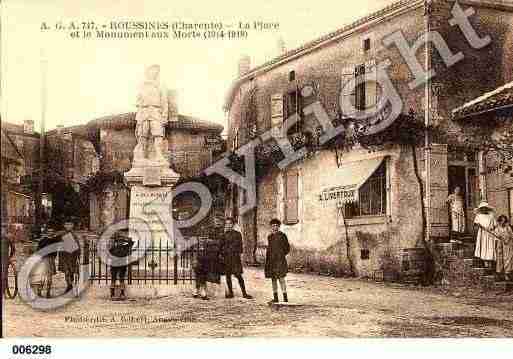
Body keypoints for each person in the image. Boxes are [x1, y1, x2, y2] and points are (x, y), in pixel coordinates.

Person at [221, 217, 252, 299]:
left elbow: (240, 246)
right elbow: (221, 246)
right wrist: (223, 253)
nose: (228, 225)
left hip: (235, 258)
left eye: (230, 223)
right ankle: (231, 293)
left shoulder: (237, 234)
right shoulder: (224, 235)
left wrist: (237, 253)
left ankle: (244, 293)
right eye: (227, 224)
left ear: (233, 224)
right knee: (228, 276)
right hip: (227, 258)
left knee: (238, 275)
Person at [193, 218, 223, 300]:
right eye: (201, 237)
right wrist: (195, 260)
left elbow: (217, 243)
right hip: (199, 261)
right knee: (199, 275)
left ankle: (197, 291)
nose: (203, 239)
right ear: (198, 238)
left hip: (206, 261)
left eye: (204, 237)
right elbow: (195, 254)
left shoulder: (207, 243)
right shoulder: (197, 245)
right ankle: (202, 292)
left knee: (202, 275)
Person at [265, 219, 291, 303]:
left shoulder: (282, 236)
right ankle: (275, 297)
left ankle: (285, 297)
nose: (275, 227)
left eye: (276, 225)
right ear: (271, 227)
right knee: (273, 279)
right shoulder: (270, 237)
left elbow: (287, 248)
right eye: (273, 226)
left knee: (281, 278)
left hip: (280, 260)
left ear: (279, 226)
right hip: (271, 261)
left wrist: (281, 255)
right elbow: (269, 249)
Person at [32, 227, 59, 298]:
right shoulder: (43, 240)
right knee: (43, 277)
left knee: (49, 277)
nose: (50, 233)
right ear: (47, 233)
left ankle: (48, 292)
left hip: (51, 260)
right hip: (44, 259)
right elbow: (38, 251)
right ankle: (40, 291)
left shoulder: (55, 240)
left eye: (52, 231)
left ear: (53, 232)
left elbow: (56, 251)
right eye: (49, 231)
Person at [57, 219, 81, 293]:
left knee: (72, 272)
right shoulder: (62, 234)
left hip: (72, 256)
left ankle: (71, 284)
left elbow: (78, 246)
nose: (68, 226)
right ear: (64, 225)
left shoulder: (74, 235)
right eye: (66, 224)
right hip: (64, 256)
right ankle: (69, 285)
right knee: (66, 271)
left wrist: (78, 255)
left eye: (70, 225)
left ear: (72, 226)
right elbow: (60, 245)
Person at [108, 231, 134, 300]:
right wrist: (126, 239)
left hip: (118, 264)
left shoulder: (119, 247)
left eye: (120, 241)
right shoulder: (123, 247)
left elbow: (131, 243)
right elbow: (131, 242)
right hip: (118, 264)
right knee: (117, 279)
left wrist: (125, 238)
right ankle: (116, 294)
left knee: (117, 279)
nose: (120, 242)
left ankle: (117, 294)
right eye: (120, 241)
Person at [473, 202, 497, 268]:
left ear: (487, 208)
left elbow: (495, 225)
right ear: (481, 209)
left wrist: (491, 229)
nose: (484, 209)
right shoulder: (479, 216)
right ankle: (485, 263)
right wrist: (480, 226)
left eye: (485, 208)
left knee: (490, 246)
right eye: (482, 208)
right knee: (484, 246)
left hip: (490, 234)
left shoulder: (491, 215)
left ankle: (490, 263)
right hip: (483, 233)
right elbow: (476, 224)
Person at [495, 215, 513, 281]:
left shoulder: (508, 228)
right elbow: (496, 237)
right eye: (501, 221)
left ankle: (507, 274)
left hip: (508, 245)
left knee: (508, 259)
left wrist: (508, 240)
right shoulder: (497, 229)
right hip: (500, 245)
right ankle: (500, 274)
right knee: (500, 259)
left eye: (504, 221)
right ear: (499, 221)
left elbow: (512, 236)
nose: (503, 222)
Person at [1, 223, 16, 295]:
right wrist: (10, 257)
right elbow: (13, 249)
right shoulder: (8, 237)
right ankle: (3, 292)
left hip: (5, 257)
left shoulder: (8, 237)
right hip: (4, 257)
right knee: (4, 274)